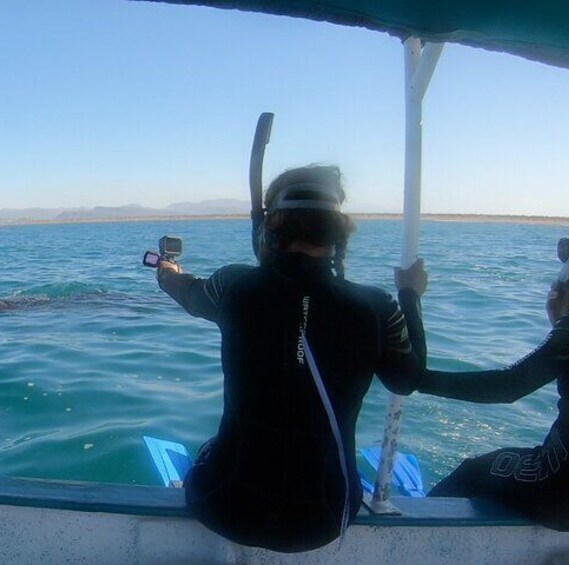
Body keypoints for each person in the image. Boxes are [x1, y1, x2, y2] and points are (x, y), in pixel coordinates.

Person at [153, 165, 428, 552]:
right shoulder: (376, 307)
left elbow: (187, 293)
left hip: (222, 503)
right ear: (339, 229)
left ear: (271, 226)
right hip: (326, 517)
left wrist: (166, 272)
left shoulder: (234, 286)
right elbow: (407, 379)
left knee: (213, 448)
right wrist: (411, 297)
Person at [421, 206, 569, 532]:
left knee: (471, 472)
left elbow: (508, 386)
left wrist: (419, 379)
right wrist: (563, 324)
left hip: (566, 495)